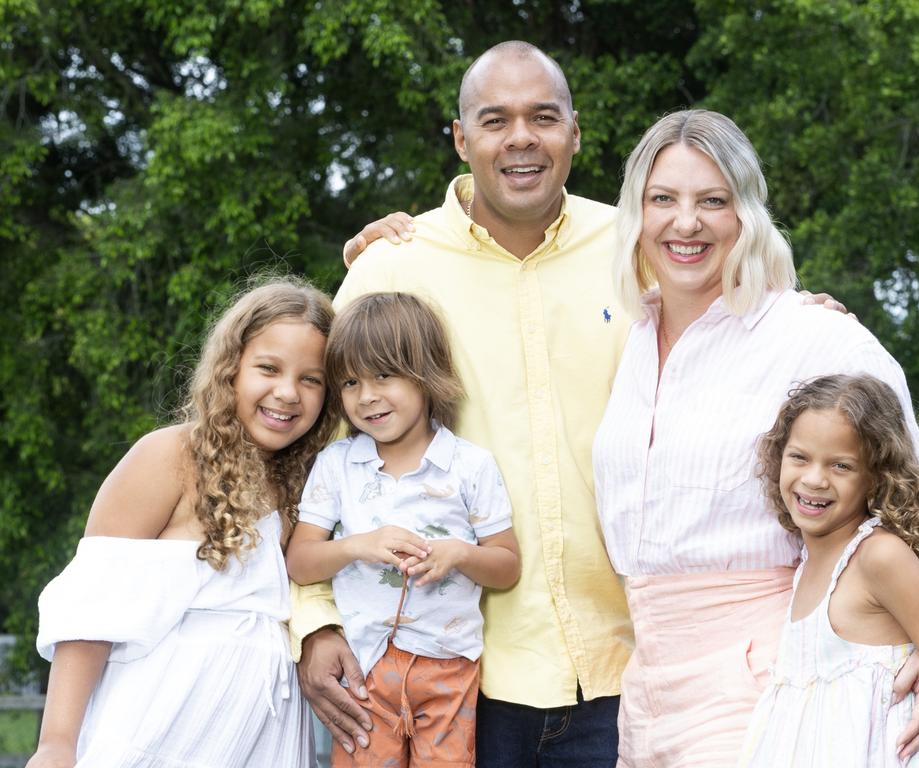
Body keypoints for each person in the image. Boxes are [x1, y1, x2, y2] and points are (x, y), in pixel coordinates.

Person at [591, 109, 919, 768]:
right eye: (663, 199)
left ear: (745, 214)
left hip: (764, 679)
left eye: (711, 201)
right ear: (636, 212)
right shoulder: (627, 338)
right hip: (645, 691)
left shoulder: (812, 337)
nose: (684, 222)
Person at [292, 40, 635, 768]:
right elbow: (308, 459)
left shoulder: (634, 248)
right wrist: (315, 625)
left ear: (574, 131)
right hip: (445, 677)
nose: (521, 138)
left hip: (624, 667)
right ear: (460, 137)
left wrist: (817, 316)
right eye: (494, 119)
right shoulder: (394, 265)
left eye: (543, 116)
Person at [28, 278, 342, 768]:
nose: (287, 393)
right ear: (231, 368)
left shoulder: (312, 485)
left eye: (311, 379)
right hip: (159, 729)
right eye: (268, 368)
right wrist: (56, 746)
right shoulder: (171, 456)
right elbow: (94, 606)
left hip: (265, 736)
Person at [286, 292, 520, 767]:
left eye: (384, 375)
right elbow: (300, 561)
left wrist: (460, 554)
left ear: (425, 373)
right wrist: (358, 546)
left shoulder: (469, 466)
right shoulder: (338, 465)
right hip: (365, 669)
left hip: (448, 669)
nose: (367, 395)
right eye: (350, 381)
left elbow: (507, 566)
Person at [739, 374, 919, 767]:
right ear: (779, 457)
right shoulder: (806, 566)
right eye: (799, 457)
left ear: (877, 476)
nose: (814, 479)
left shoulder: (879, 557)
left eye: (841, 465)